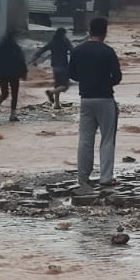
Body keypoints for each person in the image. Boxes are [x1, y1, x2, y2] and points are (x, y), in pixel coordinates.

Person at [68, 16, 123, 186]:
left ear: (89, 31)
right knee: (107, 138)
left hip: (85, 98)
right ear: (104, 32)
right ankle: (106, 177)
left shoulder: (77, 51)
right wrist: (106, 82)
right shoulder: (108, 52)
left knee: (85, 139)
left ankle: (82, 178)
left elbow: (72, 74)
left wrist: (86, 80)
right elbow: (118, 77)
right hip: (105, 99)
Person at [0, 31, 28, 121]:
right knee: (14, 95)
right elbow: (21, 60)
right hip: (14, 74)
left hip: (2, 74)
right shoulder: (16, 47)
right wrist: (24, 72)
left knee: (4, 94)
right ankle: (12, 115)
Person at [32, 26, 74, 106]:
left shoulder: (53, 41)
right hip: (63, 66)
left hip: (55, 66)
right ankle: (51, 92)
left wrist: (35, 57)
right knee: (65, 86)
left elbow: (43, 49)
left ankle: (57, 104)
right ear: (64, 34)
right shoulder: (65, 41)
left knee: (57, 84)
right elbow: (72, 51)